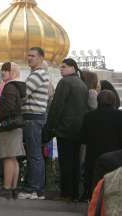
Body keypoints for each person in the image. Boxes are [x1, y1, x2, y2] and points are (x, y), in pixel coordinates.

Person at [47, 58, 89, 201]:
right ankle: (75, 194)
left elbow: (56, 107)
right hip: (78, 131)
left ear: (73, 68)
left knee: (65, 163)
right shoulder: (82, 84)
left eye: (64, 67)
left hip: (65, 130)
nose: (61, 69)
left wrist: (49, 128)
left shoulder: (65, 82)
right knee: (75, 163)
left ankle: (66, 194)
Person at [0, 62, 26, 199]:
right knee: (13, 158)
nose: (3, 72)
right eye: (3, 70)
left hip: (7, 127)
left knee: (8, 158)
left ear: (13, 72)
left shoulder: (9, 87)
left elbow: (7, 107)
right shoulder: (15, 86)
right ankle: (13, 188)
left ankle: (6, 188)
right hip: (14, 127)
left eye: (7, 70)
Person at [17, 47, 50, 200]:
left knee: (34, 154)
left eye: (33, 56)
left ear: (40, 59)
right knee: (34, 154)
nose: (29, 58)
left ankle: (34, 189)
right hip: (35, 118)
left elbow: (23, 95)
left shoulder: (37, 75)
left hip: (32, 118)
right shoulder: (37, 74)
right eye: (28, 55)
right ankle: (36, 188)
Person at [80, 90, 122, 199]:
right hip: (115, 157)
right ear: (114, 101)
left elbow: (83, 138)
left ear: (98, 101)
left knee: (93, 182)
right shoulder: (120, 116)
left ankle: (91, 199)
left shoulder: (89, 116)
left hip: (93, 156)